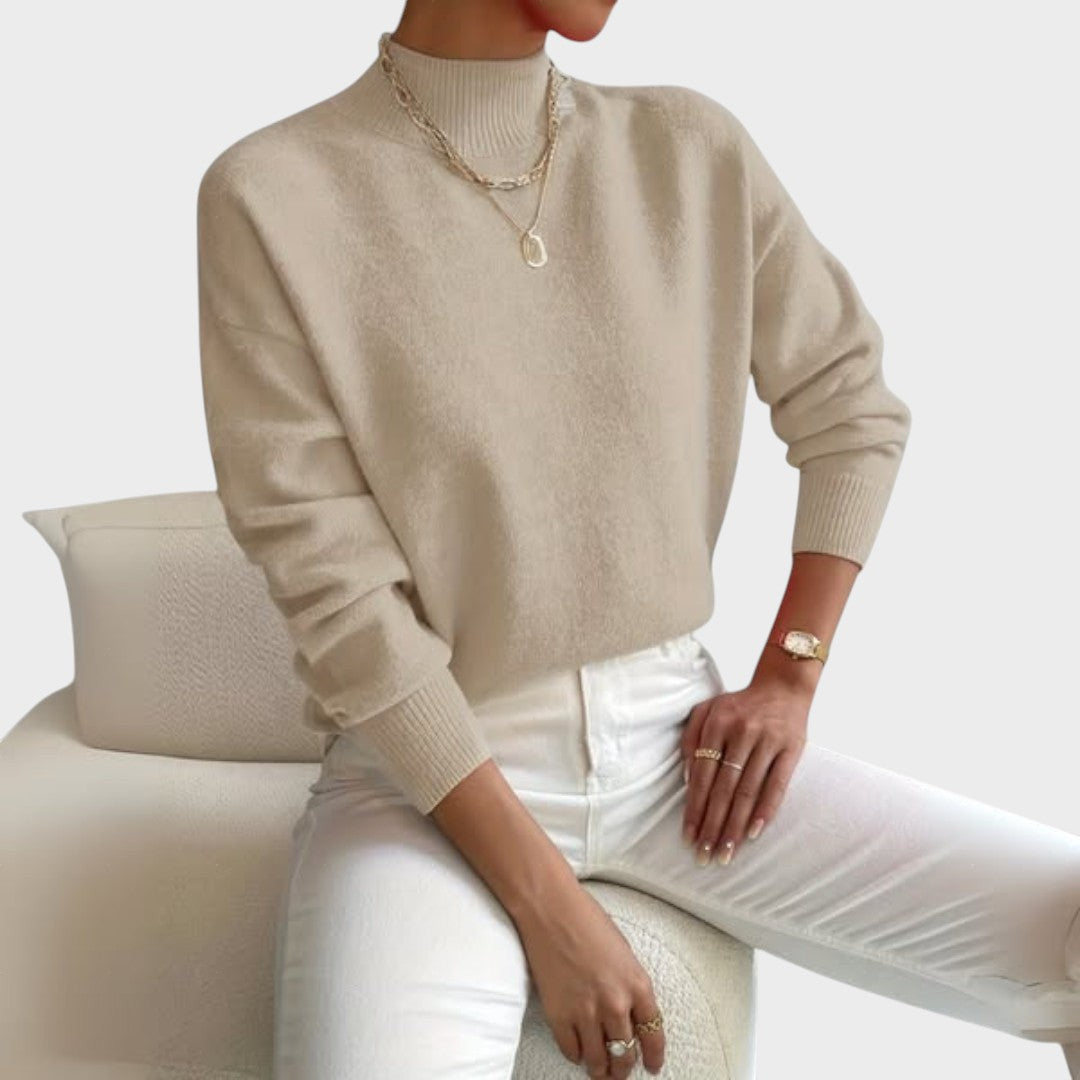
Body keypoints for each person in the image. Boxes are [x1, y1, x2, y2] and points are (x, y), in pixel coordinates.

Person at [195, 3, 1080, 1078]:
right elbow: (338, 598)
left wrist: (790, 673)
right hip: (427, 787)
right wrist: (549, 907)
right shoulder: (274, 193)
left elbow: (850, 405)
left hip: (680, 754)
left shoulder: (689, 149)